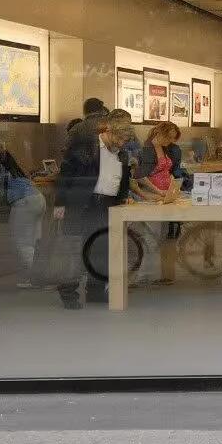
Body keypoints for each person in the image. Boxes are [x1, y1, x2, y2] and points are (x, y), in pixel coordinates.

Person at [53, 109, 135, 309]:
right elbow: (66, 174)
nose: (122, 144)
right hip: (83, 203)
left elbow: (123, 180)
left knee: (101, 250)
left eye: (125, 141)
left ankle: (96, 291)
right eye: (120, 139)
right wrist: (60, 203)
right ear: (109, 131)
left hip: (108, 205)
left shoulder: (122, 154)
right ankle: (68, 292)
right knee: (75, 250)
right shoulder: (86, 147)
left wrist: (124, 198)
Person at [133, 122, 186, 284]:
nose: (170, 141)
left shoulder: (165, 149)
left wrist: (171, 186)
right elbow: (141, 176)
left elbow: (167, 170)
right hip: (151, 196)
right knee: (151, 237)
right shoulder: (147, 150)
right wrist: (157, 192)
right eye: (168, 137)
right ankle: (143, 276)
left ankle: (154, 274)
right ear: (159, 133)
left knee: (161, 235)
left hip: (163, 195)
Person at [0, 147, 48, 289]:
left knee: (23, 244)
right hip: (38, 199)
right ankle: (36, 277)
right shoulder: (11, 165)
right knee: (34, 243)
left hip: (24, 202)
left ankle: (40, 277)